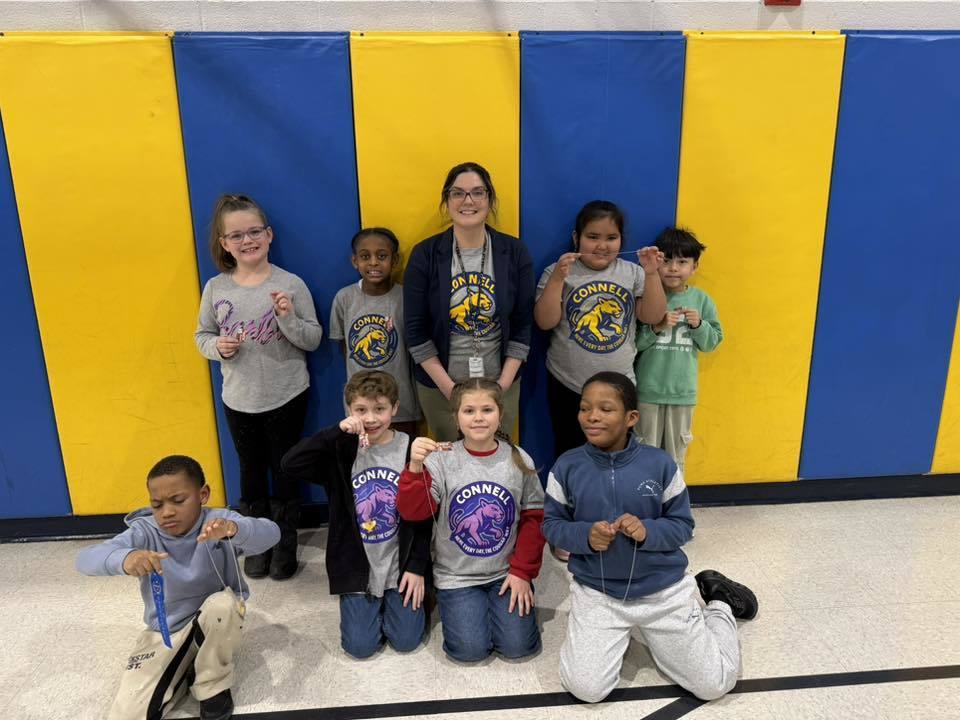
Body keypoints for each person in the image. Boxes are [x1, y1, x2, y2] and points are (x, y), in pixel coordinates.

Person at [542, 372, 757, 703]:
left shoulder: (660, 464)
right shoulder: (566, 467)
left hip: (662, 592)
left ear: (631, 418)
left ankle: (719, 604)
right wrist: (585, 535)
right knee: (586, 690)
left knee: (714, 685)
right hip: (599, 594)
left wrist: (648, 531)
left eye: (605, 409)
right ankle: (616, 632)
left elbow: (683, 525)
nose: (592, 416)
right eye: (585, 408)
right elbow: (552, 525)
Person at [76, 455, 280, 720]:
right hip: (165, 630)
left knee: (223, 605)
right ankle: (184, 672)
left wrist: (234, 529)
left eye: (178, 500)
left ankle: (211, 683)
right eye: (157, 504)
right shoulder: (145, 531)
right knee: (128, 714)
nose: (167, 512)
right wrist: (125, 558)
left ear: (202, 494)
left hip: (214, 619)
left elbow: (272, 533)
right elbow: (84, 559)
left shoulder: (218, 521)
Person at [194, 194, 322, 580]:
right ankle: (255, 541)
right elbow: (202, 335)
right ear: (224, 243)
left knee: (285, 469)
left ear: (269, 235)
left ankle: (284, 543)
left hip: (287, 394)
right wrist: (217, 347)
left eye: (254, 232)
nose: (247, 240)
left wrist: (287, 317)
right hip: (239, 398)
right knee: (250, 472)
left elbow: (312, 339)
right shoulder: (216, 288)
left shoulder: (290, 284)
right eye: (236, 235)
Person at [281, 371, 430, 658]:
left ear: (395, 408)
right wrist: (336, 431)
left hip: (398, 564)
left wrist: (416, 567)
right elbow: (290, 464)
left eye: (380, 409)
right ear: (349, 409)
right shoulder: (340, 448)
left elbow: (423, 515)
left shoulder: (411, 448)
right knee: (360, 647)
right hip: (356, 565)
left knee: (406, 641)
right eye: (361, 410)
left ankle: (399, 599)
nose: (371, 418)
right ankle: (366, 604)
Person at [398, 378, 545, 662]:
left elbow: (534, 519)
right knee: (469, 651)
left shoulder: (519, 459)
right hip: (457, 576)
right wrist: (415, 468)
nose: (478, 418)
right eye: (469, 411)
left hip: (505, 573)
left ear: (500, 414)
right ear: (456, 417)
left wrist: (522, 572)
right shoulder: (440, 460)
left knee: (518, 647)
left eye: (487, 410)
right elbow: (414, 512)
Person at [403, 162, 534, 441]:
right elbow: (415, 331)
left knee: (496, 462)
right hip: (440, 390)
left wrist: (500, 388)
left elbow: (523, 325)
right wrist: (452, 392)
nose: (468, 201)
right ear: (447, 200)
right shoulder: (425, 254)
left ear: (490, 199)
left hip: (500, 387)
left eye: (477, 192)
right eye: (458, 193)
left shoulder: (514, 252)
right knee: (449, 462)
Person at [534, 200, 667, 460]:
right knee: (570, 452)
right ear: (577, 238)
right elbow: (545, 322)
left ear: (621, 240)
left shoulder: (633, 272)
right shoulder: (558, 271)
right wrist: (558, 278)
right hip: (568, 383)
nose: (602, 245)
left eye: (611, 238)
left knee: (617, 455)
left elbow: (653, 316)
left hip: (619, 385)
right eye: (592, 237)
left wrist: (652, 274)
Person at [635, 227, 721, 471]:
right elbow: (634, 345)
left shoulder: (702, 300)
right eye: (667, 261)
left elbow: (712, 342)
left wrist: (699, 325)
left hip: (683, 393)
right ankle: (645, 493)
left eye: (682, 262)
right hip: (648, 391)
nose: (673, 268)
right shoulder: (647, 297)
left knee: (676, 456)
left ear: (694, 267)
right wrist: (656, 328)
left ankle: (673, 494)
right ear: (656, 263)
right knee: (644, 452)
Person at [329, 227, 421, 437]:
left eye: (381, 256)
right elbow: (345, 347)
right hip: (360, 407)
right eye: (365, 256)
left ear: (394, 260)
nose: (373, 263)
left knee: (403, 455)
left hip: (400, 405)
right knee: (365, 456)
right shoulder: (344, 298)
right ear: (355, 261)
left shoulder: (406, 297)